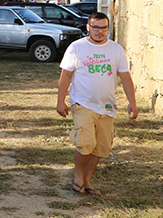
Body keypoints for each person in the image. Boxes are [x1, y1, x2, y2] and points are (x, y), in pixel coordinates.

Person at [57, 12, 138, 196]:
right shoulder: (76, 47)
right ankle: (78, 176)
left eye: (104, 28)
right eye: (95, 27)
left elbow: (125, 77)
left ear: (108, 28)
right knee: (85, 142)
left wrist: (132, 102)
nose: (100, 32)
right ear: (88, 27)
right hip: (83, 103)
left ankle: (87, 180)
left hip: (107, 106)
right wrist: (60, 101)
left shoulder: (116, 49)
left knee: (101, 147)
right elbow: (65, 76)